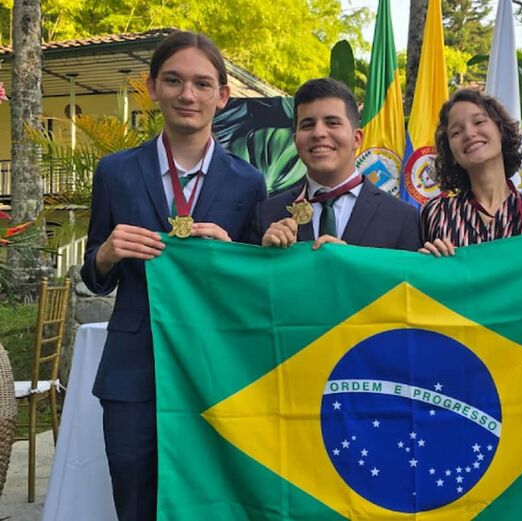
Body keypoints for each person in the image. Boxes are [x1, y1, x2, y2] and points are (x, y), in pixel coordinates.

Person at [80, 31, 266, 520]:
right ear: (153, 87)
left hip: (214, 371)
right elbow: (95, 273)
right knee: (136, 498)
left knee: (213, 500)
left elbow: (252, 287)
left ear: (222, 96)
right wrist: (107, 255)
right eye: (175, 81)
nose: (188, 95)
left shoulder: (247, 181)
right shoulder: (115, 171)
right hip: (133, 370)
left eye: (203, 84)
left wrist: (232, 255)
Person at [258, 78, 420, 251]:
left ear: (356, 139)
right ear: (296, 140)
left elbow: (408, 278)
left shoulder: (402, 217)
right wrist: (266, 258)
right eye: (308, 125)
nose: (319, 133)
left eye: (332, 123)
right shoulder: (267, 214)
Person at [419, 89, 522, 256]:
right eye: (456, 132)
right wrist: (427, 263)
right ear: (451, 153)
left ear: (501, 131)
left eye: (478, 122)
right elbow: (416, 279)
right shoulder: (436, 213)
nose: (469, 134)